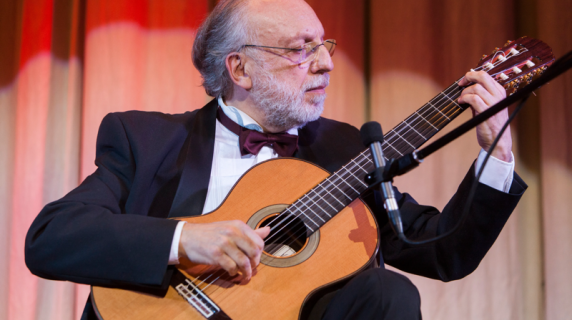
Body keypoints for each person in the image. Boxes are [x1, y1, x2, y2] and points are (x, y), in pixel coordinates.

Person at [25, 0, 526, 319]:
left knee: (387, 294)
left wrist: (496, 156)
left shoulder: (343, 150)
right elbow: (53, 237)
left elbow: (441, 251)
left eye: (324, 45)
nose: (326, 63)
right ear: (239, 68)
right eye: (300, 49)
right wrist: (186, 240)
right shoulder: (145, 137)